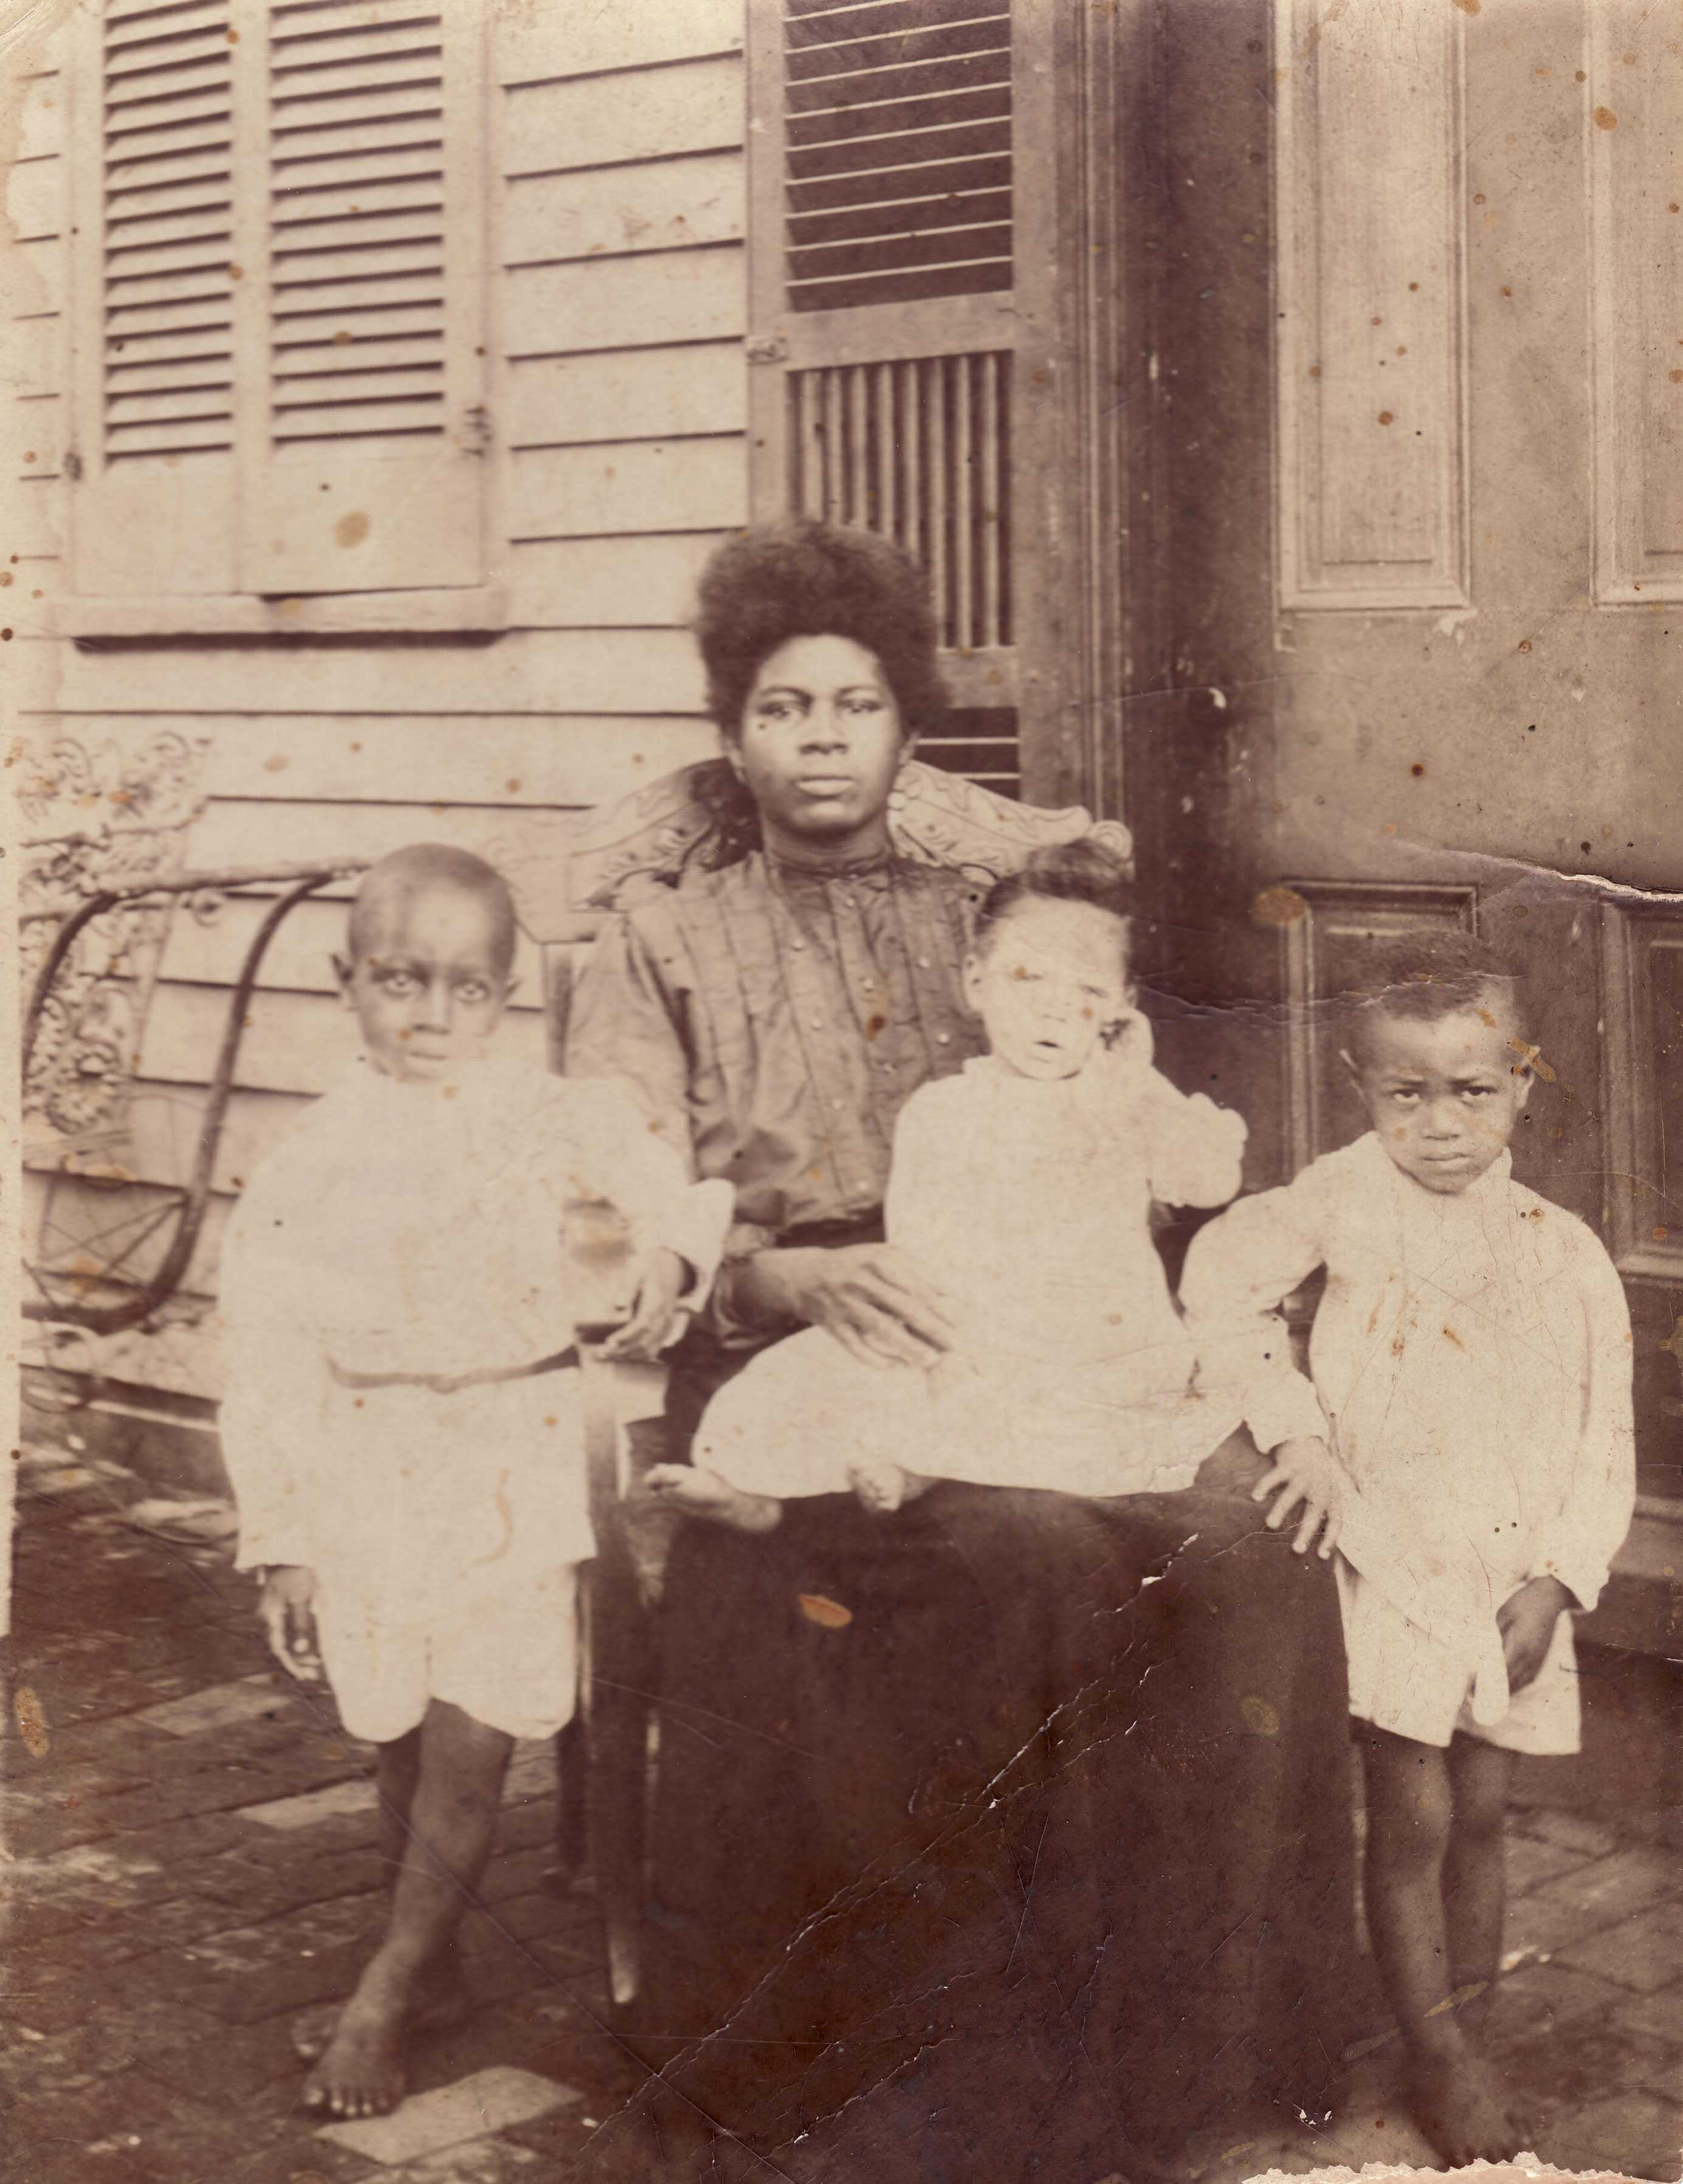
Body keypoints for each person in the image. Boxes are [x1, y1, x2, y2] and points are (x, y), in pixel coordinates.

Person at [565, 521, 1357, 2182]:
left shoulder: (976, 909)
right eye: (784, 708)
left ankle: (1197, 2041)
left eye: (857, 705)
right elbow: (615, 1207)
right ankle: (966, 2063)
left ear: (905, 729)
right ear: (733, 732)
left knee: (1246, 1554)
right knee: (1030, 1559)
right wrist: (787, 1279)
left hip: (1032, 1333)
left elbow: (1101, 1066)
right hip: (789, 1353)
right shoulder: (664, 932)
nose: (824, 739)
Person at [217, 845, 729, 2121]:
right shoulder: (309, 1157)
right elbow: (267, 1349)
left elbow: (670, 1189)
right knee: (392, 1724)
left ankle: (387, 1984)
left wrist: (662, 1253)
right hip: (365, 1460)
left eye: (465, 987)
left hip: (510, 1444)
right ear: (348, 981)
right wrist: (282, 1529)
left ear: (508, 995)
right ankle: (433, 1954)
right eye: (400, 979)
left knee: (470, 1726)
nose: (431, 1013)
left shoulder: (553, 1116)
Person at [1181, 929, 1635, 2167]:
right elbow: (1218, 1282)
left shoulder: (1558, 1244)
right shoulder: (1338, 1195)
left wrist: (1559, 1573)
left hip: (1508, 1574)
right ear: (1359, 1082)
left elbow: (1603, 1429)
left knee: (1484, 1807)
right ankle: (1432, 2053)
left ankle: (1463, 2029)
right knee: (1412, 1812)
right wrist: (1296, 1434)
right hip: (1387, 1559)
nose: (1438, 1124)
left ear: (1524, 1080)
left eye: (1472, 1090)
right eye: (1404, 1092)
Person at [658, 838, 1248, 1521]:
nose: (1056, 1009)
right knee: (821, 1379)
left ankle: (916, 1469)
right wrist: (954, 1334)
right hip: (974, 1324)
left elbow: (1210, 1181)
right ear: (976, 982)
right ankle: (763, 1497)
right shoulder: (945, 1110)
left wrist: (1135, 1092)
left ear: (1123, 1004)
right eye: (1029, 978)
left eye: (1087, 991)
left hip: (1093, 1344)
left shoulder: (1132, 1097)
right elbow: (925, 1242)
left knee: (1063, 1412)